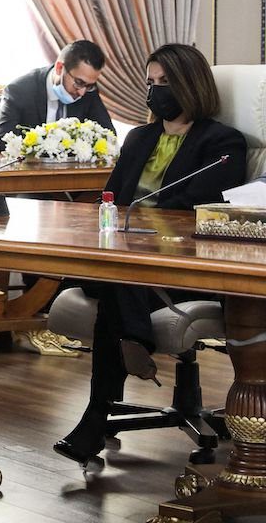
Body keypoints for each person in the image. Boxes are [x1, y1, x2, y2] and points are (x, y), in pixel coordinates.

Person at [53, 43, 247, 472]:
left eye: (165, 83)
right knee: (109, 276)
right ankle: (133, 340)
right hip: (127, 260)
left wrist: (144, 223)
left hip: (182, 265)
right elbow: (113, 197)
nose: (156, 92)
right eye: (151, 83)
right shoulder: (140, 138)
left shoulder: (221, 142)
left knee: (117, 282)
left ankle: (95, 417)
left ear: (190, 85)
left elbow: (198, 205)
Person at [0, 39, 115, 151]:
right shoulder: (20, 90)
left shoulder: (89, 92)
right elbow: (0, 143)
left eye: (89, 85)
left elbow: (109, 136)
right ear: (60, 68)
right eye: (79, 82)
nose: (82, 92)